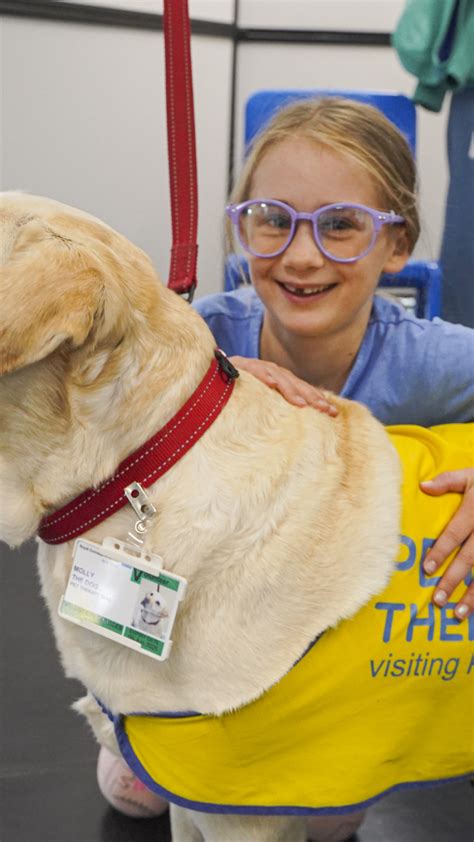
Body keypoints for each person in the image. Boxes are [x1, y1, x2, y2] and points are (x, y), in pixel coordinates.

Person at [98, 98, 474, 839]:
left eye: (341, 225)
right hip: (192, 636)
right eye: (273, 220)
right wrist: (199, 388)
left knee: (323, 825)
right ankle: (129, 717)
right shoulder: (202, 333)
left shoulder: (425, 360)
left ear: (396, 244)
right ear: (242, 230)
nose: (302, 256)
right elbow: (80, 433)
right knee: (134, 790)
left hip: (314, 667)